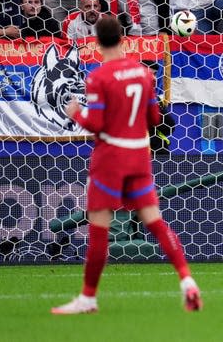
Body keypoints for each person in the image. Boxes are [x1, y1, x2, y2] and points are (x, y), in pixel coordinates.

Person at [52, 16, 202, 314]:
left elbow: (96, 124)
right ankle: (187, 280)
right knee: (155, 221)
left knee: (99, 230)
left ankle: (88, 298)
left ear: (96, 42)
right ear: (123, 38)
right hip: (139, 155)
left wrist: (76, 112)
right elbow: (154, 120)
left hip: (111, 159)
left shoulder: (98, 77)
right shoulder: (143, 73)